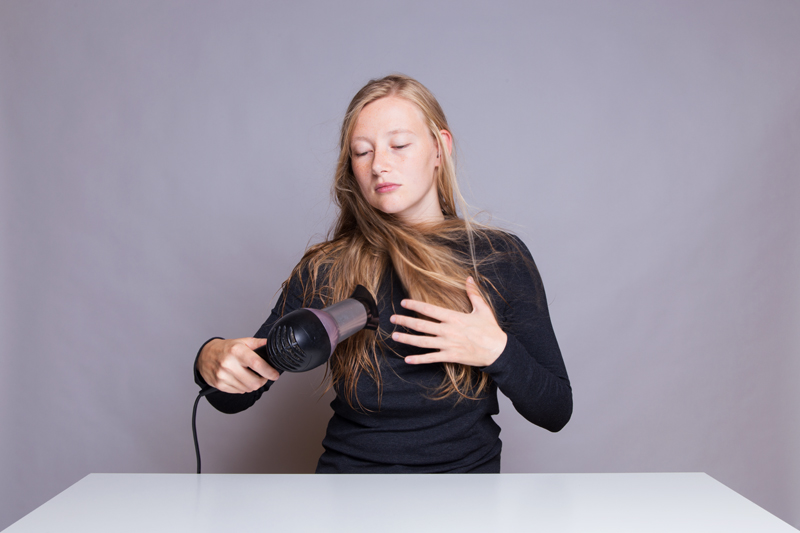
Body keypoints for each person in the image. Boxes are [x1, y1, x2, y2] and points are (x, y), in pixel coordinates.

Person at [194, 74, 572, 473]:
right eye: (362, 152)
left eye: (400, 145)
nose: (379, 165)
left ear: (440, 149)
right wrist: (210, 357)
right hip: (348, 495)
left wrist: (497, 351)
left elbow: (555, 411)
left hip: (466, 499)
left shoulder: (498, 258)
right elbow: (232, 396)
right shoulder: (326, 268)